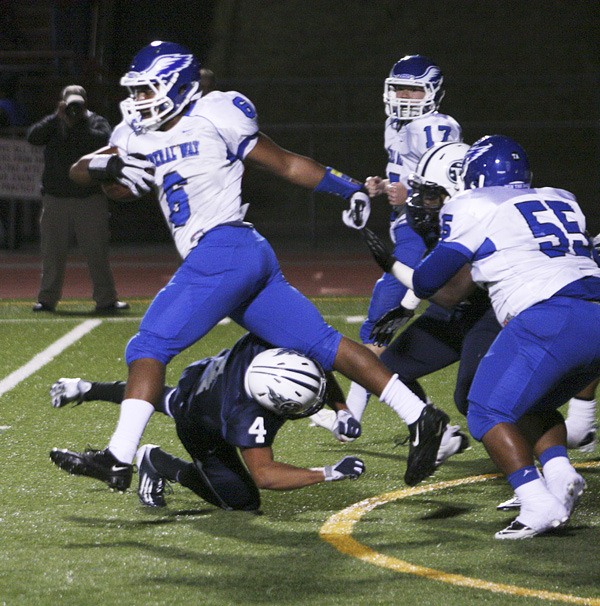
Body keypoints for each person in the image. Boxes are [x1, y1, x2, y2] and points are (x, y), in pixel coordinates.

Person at [50, 40, 449, 493]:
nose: (139, 100)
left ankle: (118, 458)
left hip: (224, 246)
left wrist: (348, 188)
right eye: (135, 91)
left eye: (147, 90)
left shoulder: (216, 113)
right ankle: (421, 416)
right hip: (242, 256)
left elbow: (283, 163)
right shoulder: (132, 133)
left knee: (150, 344)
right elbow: (85, 174)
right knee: (322, 343)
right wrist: (108, 169)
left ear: (177, 85)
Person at [366, 134, 600, 539]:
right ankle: (560, 476)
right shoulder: (560, 198)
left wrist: (396, 266)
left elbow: (428, 281)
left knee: (486, 410)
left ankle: (536, 502)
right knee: (532, 402)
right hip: (592, 310)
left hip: (548, 315)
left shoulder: (473, 204)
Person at [50, 333, 365, 509]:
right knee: (242, 502)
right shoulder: (246, 416)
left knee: (166, 399)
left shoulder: (267, 345)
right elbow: (266, 475)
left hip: (202, 377)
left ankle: (87, 389)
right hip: (201, 424)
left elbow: (317, 370)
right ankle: (158, 462)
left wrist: (341, 410)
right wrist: (329, 473)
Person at [336, 55, 464, 457]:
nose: (404, 97)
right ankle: (402, 420)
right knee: (384, 330)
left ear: (433, 93)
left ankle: (350, 420)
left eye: (413, 90)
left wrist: (411, 197)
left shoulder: (437, 128)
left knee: (379, 324)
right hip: (406, 227)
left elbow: (452, 186)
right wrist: (384, 183)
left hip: (424, 231)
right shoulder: (397, 124)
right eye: (398, 88)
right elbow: (405, 171)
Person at [26, 85, 129, 313]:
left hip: (89, 198)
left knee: (97, 252)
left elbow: (104, 141)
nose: (74, 109)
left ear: (85, 103)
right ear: (62, 102)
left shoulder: (95, 121)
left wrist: (77, 125)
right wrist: (56, 118)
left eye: (78, 105)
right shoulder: (54, 122)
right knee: (52, 253)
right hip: (56, 199)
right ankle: (47, 299)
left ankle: (106, 299)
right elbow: (33, 137)